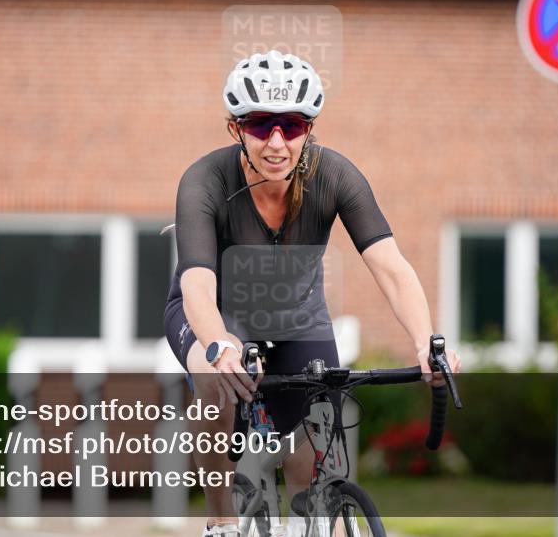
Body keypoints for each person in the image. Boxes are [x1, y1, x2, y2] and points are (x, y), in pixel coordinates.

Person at [163, 50, 460, 537]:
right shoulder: (205, 181)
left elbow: (389, 266)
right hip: (214, 315)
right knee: (214, 379)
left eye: (292, 126)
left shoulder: (335, 176)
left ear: (309, 126)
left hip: (298, 319)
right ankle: (220, 521)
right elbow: (197, 281)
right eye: (261, 126)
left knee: (317, 469)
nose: (277, 142)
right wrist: (219, 344)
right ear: (235, 128)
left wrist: (425, 342)